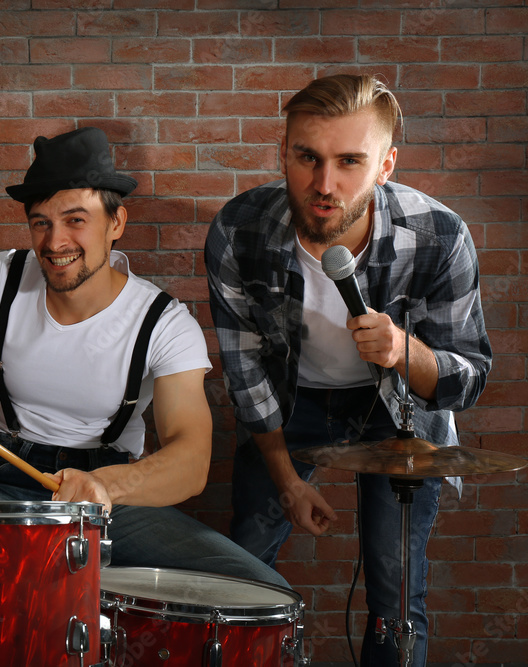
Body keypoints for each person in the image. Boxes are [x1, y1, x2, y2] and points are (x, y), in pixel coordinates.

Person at [0, 126, 288, 589]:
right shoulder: (0, 279)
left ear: (116, 224)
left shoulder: (163, 323)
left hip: (112, 497)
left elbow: (191, 460)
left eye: (75, 220)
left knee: (257, 590)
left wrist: (106, 486)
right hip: (1, 486)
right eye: (41, 222)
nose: (54, 242)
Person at [205, 74, 492, 666]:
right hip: (290, 407)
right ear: (283, 153)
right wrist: (286, 479)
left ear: (385, 164)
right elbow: (245, 372)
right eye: (307, 158)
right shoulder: (241, 230)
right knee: (242, 572)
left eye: (349, 162)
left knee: (396, 592)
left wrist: (405, 351)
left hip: (397, 416)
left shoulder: (439, 237)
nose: (324, 184)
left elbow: (468, 378)